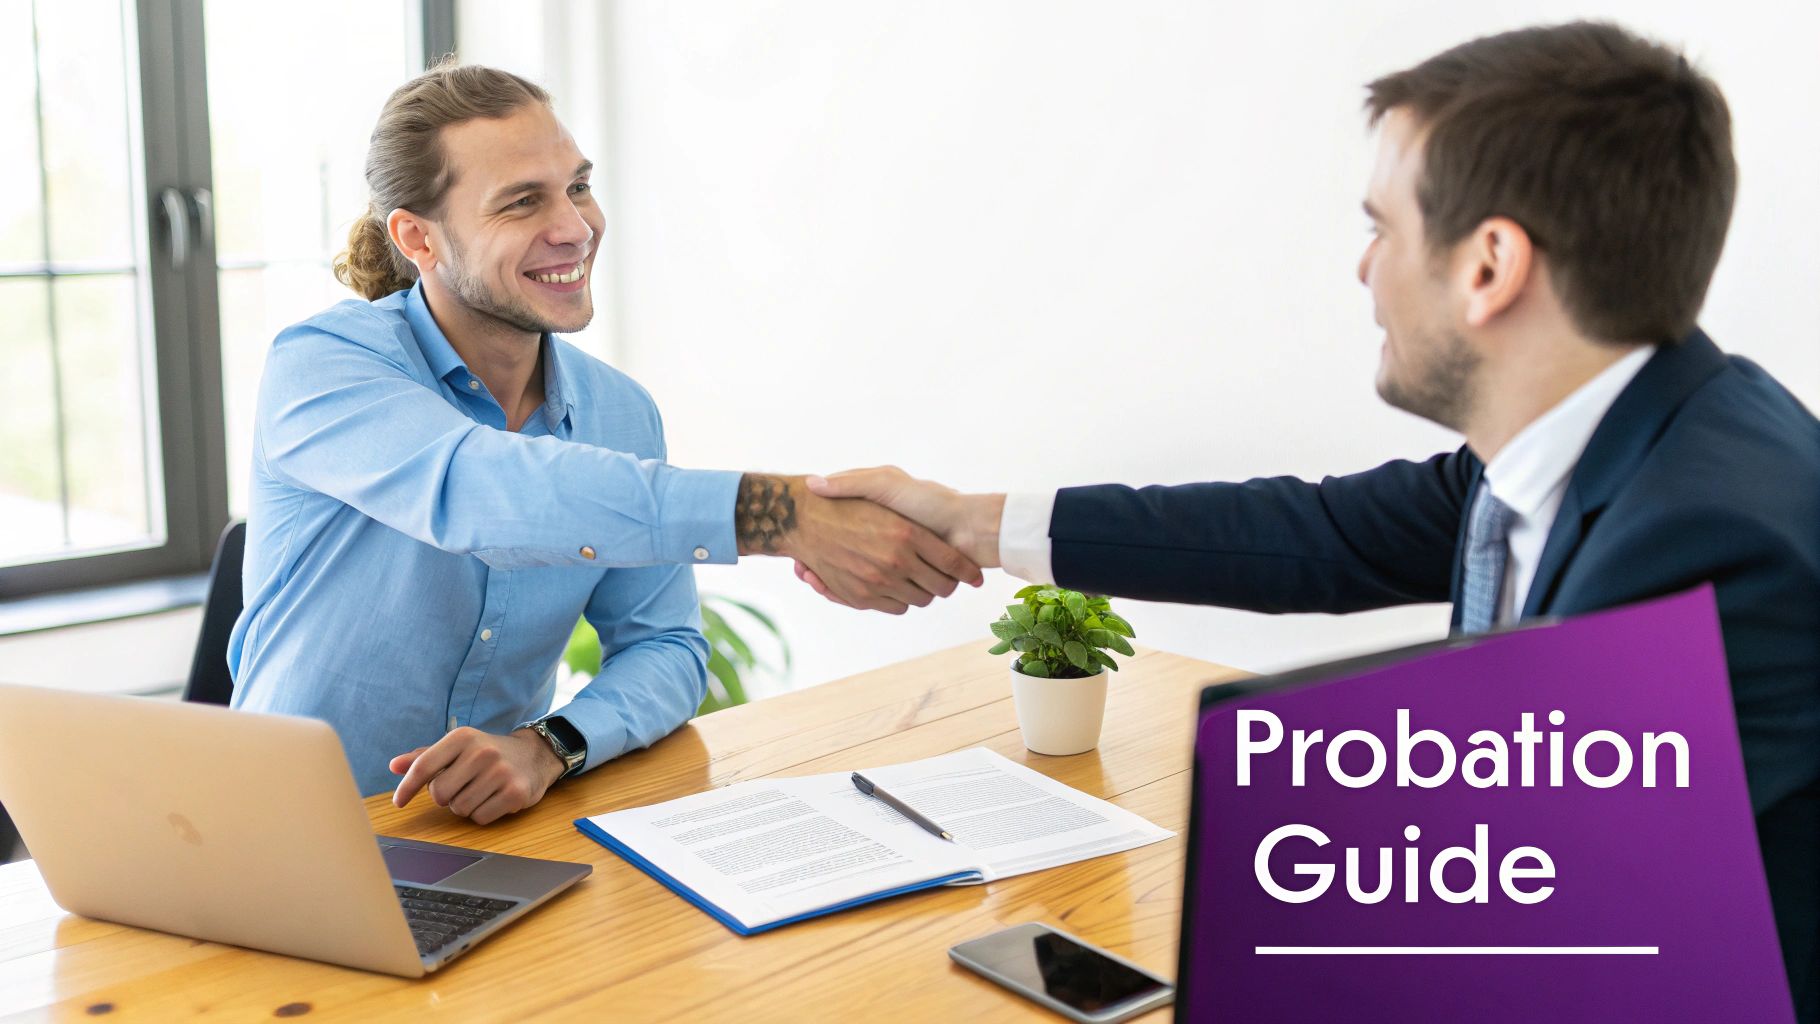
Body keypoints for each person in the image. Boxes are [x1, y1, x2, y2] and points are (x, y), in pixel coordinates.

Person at [798, 22, 1819, 1014]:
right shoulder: (1592, 444)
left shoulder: (1710, 545)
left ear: (1487, 267)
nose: (1362, 269)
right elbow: (1315, 536)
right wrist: (971, 523)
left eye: (1381, 227)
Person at [227, 63, 981, 825]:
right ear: (417, 237)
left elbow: (668, 649)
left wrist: (549, 745)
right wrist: (780, 515)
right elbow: (483, 491)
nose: (576, 227)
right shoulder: (323, 365)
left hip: (494, 843)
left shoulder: (619, 414)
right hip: (280, 832)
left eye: (577, 187)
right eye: (523, 202)